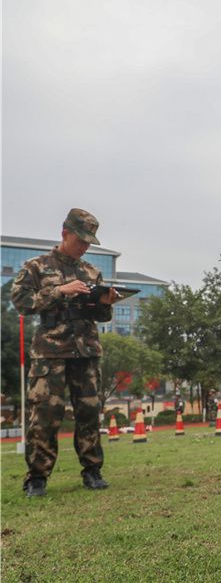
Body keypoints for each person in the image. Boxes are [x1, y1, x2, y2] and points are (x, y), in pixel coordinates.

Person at [11, 208, 117, 497]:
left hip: (86, 351)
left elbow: (100, 317)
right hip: (50, 353)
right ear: (64, 233)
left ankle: (92, 471)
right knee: (44, 415)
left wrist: (106, 302)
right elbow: (21, 302)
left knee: (90, 414)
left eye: (88, 242)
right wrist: (61, 291)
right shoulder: (36, 267)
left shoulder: (91, 272)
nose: (84, 247)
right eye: (81, 240)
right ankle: (37, 478)